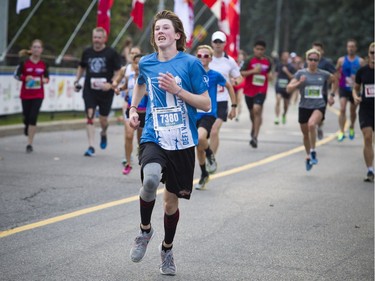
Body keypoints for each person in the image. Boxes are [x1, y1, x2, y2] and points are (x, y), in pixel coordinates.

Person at [128, 10, 210, 275]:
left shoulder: (191, 64)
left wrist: (178, 91)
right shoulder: (147, 64)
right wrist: (133, 108)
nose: (159, 32)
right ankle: (144, 231)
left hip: (183, 141)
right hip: (154, 135)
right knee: (150, 180)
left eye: (165, 28)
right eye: (156, 29)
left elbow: (206, 103)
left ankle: (167, 249)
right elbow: (141, 85)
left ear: (177, 35)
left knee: (170, 204)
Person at [74, 27, 121, 156]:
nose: (97, 40)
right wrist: (76, 81)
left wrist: (111, 84)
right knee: (90, 115)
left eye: (99, 38)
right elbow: (81, 67)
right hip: (90, 90)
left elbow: (118, 73)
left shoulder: (111, 53)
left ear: (104, 39)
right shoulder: (87, 52)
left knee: (103, 119)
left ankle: (104, 132)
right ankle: (91, 146)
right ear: (92, 38)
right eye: (95, 37)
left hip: (106, 92)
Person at [286, 49, 337, 171]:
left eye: (315, 60)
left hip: (319, 105)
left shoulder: (323, 74)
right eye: (311, 59)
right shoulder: (300, 74)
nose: (313, 62)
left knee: (311, 125)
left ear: (318, 61)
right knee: (305, 135)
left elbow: (335, 80)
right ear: (306, 60)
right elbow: (288, 88)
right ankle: (308, 155)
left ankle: (313, 151)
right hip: (304, 106)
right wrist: (299, 82)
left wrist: (332, 95)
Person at [194, 45, 236, 190]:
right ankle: (204, 174)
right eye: (199, 56)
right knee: (198, 148)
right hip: (194, 114)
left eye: (205, 56)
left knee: (200, 138)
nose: (202, 58)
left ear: (210, 59)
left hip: (209, 113)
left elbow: (229, 86)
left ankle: (210, 155)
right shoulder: (192, 74)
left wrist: (234, 106)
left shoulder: (215, 75)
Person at [208, 31, 241, 172]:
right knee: (204, 134)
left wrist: (235, 81)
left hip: (221, 101)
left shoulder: (230, 61)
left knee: (214, 131)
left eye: (220, 42)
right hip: (205, 101)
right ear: (211, 43)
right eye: (215, 41)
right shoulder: (205, 59)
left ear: (225, 44)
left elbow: (239, 78)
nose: (217, 44)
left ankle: (211, 159)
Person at [113, 54, 147, 175]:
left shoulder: (148, 77)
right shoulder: (130, 76)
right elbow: (124, 86)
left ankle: (143, 159)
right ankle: (128, 163)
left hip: (144, 112)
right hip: (131, 110)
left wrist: (145, 92)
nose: (137, 66)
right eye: (135, 63)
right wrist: (119, 89)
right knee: (128, 135)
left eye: (140, 63)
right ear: (132, 64)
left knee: (141, 140)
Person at [14, 39, 49, 153]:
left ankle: (29, 143)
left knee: (33, 117)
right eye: (34, 47)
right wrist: (25, 78)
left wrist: (45, 80)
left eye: (38, 47)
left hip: (38, 94)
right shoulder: (24, 62)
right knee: (27, 117)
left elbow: (47, 78)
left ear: (41, 50)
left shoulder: (44, 63)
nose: (36, 49)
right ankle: (26, 126)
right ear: (31, 48)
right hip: (25, 94)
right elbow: (16, 75)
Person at [240, 40, 273, 148]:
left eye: (261, 49)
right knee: (252, 113)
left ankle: (255, 137)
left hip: (261, 90)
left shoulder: (268, 61)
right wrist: (253, 71)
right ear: (254, 49)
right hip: (249, 90)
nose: (259, 51)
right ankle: (254, 126)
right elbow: (241, 73)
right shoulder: (249, 60)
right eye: (257, 49)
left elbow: (270, 73)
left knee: (257, 110)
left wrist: (271, 76)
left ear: (264, 50)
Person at [352, 42, 374, 182]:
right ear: (368, 54)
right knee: (367, 137)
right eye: (372, 53)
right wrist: (355, 96)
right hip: (366, 108)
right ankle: (370, 170)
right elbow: (355, 88)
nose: (374, 56)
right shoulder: (362, 71)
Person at [336, 39, 365, 142]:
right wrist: (335, 87)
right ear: (347, 48)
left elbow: (365, 75)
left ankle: (351, 126)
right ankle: (341, 131)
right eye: (349, 46)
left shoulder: (360, 61)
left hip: (355, 90)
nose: (351, 48)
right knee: (342, 109)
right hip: (343, 88)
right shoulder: (341, 60)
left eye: (352, 46)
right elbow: (336, 73)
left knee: (352, 111)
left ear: (355, 48)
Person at [310, 41, 337, 140]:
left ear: (322, 52)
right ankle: (312, 132)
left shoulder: (326, 63)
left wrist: (332, 95)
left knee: (319, 117)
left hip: (322, 94)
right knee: (309, 118)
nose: (316, 52)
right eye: (314, 50)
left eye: (318, 50)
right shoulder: (308, 62)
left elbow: (335, 77)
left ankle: (320, 126)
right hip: (309, 95)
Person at [274, 51, 295, 125]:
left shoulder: (291, 67)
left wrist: (286, 72)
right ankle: (276, 117)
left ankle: (284, 114)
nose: (285, 57)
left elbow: (293, 77)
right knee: (278, 100)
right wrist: (275, 75)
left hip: (287, 87)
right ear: (282, 57)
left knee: (286, 104)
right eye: (284, 56)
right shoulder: (278, 65)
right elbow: (275, 73)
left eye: (287, 56)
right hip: (279, 86)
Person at [233, 49, 247, 121]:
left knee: (239, 98)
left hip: (241, 83)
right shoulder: (233, 63)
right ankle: (234, 111)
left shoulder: (244, 64)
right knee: (234, 100)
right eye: (239, 56)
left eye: (241, 57)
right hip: (234, 83)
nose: (240, 58)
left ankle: (238, 115)